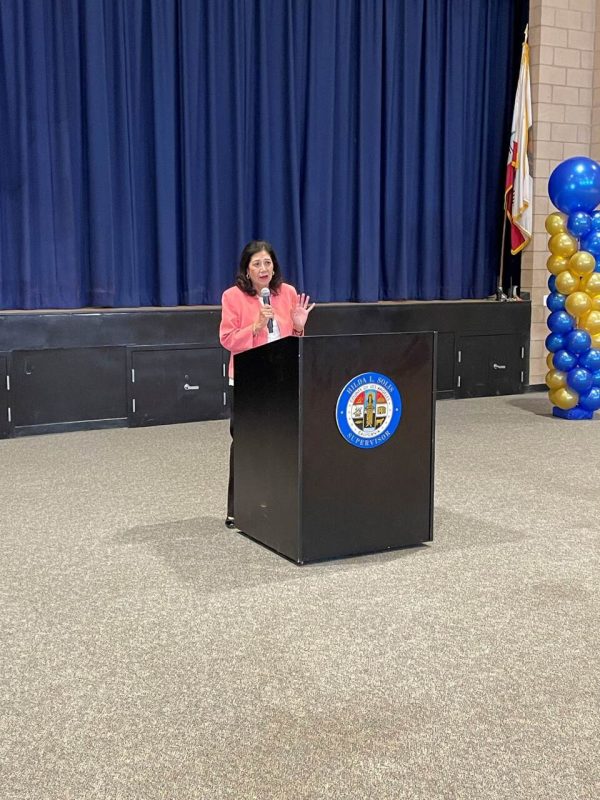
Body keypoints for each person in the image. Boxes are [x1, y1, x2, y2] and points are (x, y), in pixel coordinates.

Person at [219, 240, 315, 528]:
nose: (264, 269)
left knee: (284, 441)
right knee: (247, 442)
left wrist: (299, 326)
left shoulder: (287, 293)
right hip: (249, 379)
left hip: (282, 378)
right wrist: (256, 326)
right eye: (257, 264)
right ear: (247, 270)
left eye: (268, 263)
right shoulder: (233, 297)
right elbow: (227, 339)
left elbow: (293, 340)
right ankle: (239, 509)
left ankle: (280, 503)